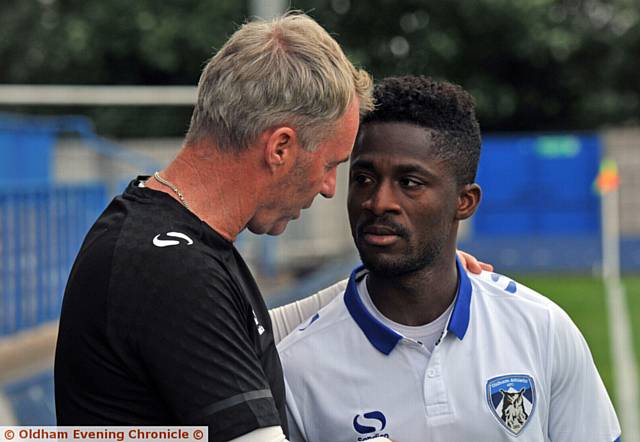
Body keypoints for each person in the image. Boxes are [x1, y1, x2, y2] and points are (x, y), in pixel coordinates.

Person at [54, 14, 486, 442]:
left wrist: (402, 280)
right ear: (280, 147)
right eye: (330, 164)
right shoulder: (171, 269)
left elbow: (235, 331)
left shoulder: (158, 232)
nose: (329, 188)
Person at [278, 76, 621, 442]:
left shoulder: (541, 328)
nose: (378, 202)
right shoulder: (297, 365)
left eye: (409, 182)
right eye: (363, 178)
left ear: (465, 202)